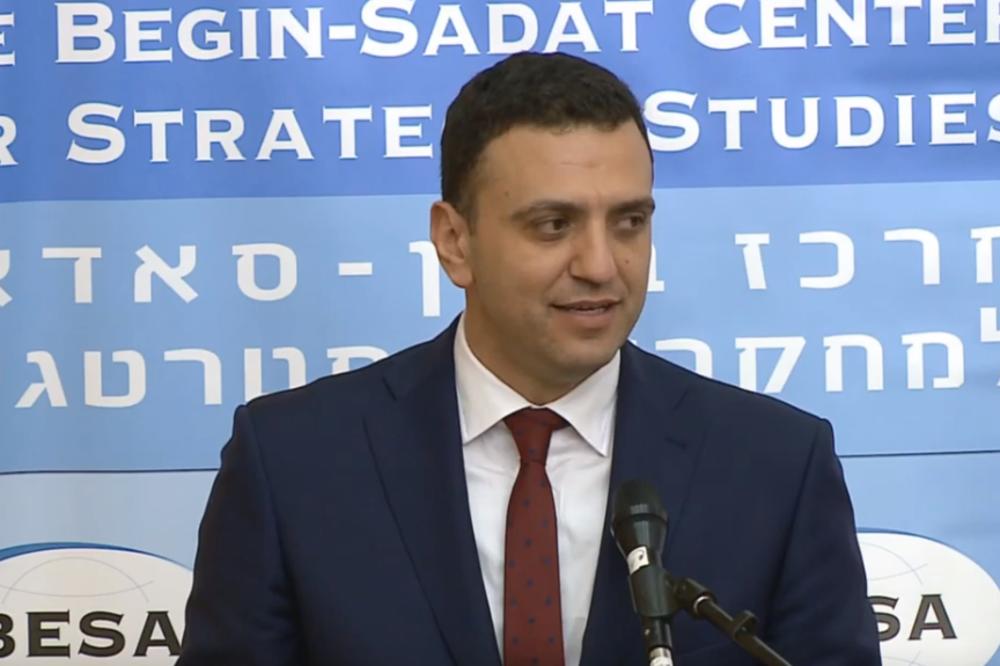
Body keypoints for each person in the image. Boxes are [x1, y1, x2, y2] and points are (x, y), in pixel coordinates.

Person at [177, 52, 880, 665]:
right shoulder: (294, 462)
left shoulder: (776, 465)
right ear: (455, 242)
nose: (601, 265)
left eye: (629, 222)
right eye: (553, 224)